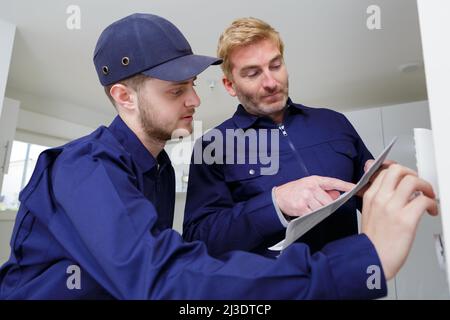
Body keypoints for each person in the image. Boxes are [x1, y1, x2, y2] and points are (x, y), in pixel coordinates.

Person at [0, 13, 437, 300]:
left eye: (192, 83)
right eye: (176, 90)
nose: (194, 99)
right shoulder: (83, 167)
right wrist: (357, 261)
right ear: (123, 97)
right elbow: (164, 277)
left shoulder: (160, 170)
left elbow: (174, 264)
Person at [183, 17, 378, 257]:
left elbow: (372, 200)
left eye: (275, 66)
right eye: (253, 73)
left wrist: (385, 189)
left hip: (346, 282)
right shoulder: (213, 146)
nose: (271, 82)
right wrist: (275, 204)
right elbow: (200, 239)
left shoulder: (334, 123)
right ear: (230, 85)